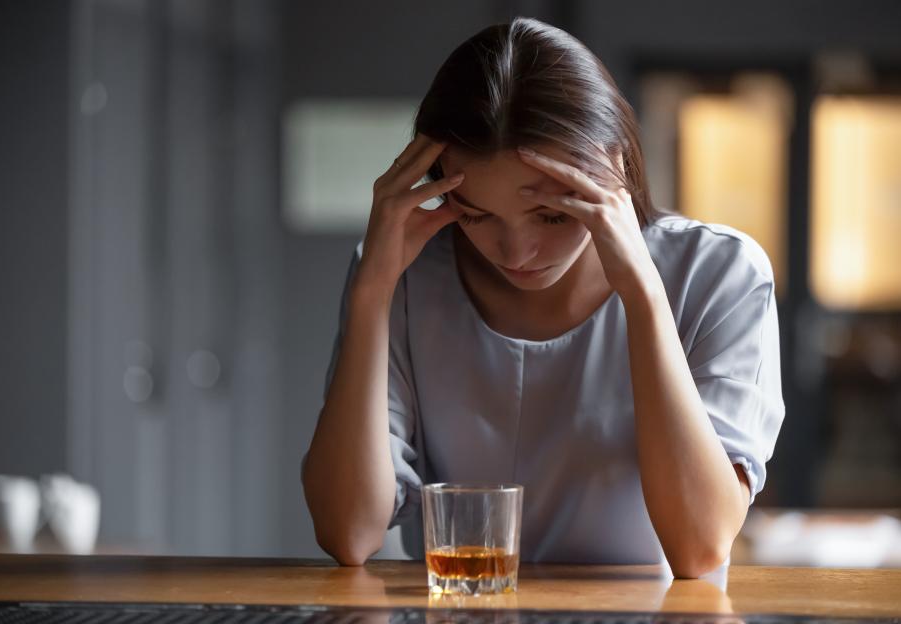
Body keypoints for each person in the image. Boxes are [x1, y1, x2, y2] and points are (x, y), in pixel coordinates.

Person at [301, 17, 785, 578]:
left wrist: (643, 294)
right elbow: (348, 533)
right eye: (477, 215)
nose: (515, 252)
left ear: (615, 169)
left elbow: (699, 547)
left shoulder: (718, 273)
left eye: (553, 214)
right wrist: (371, 293)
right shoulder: (405, 277)